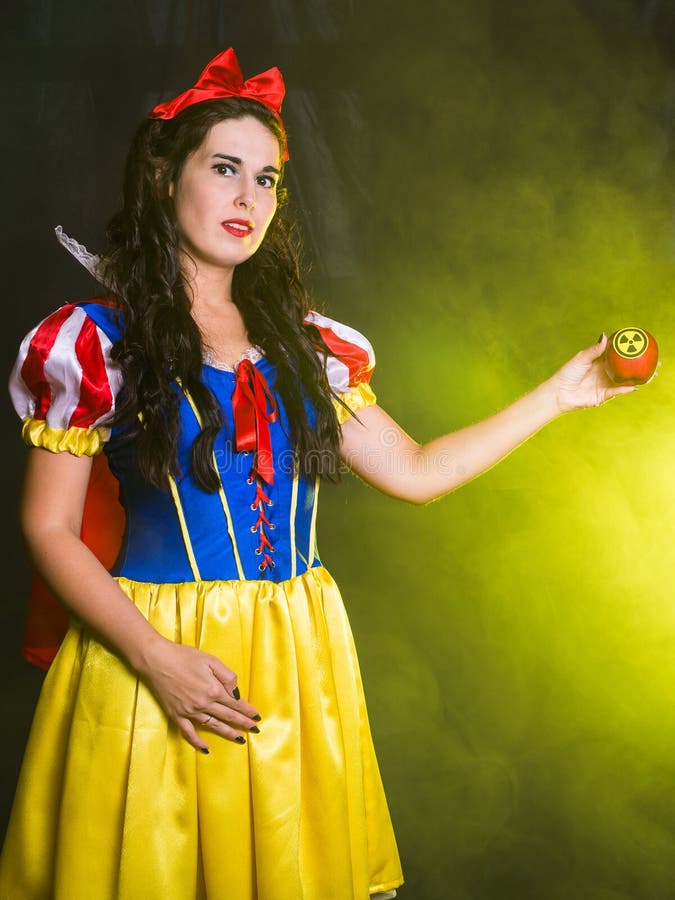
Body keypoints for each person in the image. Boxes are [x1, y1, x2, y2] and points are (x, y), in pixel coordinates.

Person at [0, 47, 637, 900]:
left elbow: (415, 470)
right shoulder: (93, 340)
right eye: (224, 169)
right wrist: (155, 657)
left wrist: (562, 393)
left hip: (299, 654)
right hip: (156, 650)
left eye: (266, 180)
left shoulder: (307, 345)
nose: (246, 198)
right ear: (162, 177)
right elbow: (46, 527)